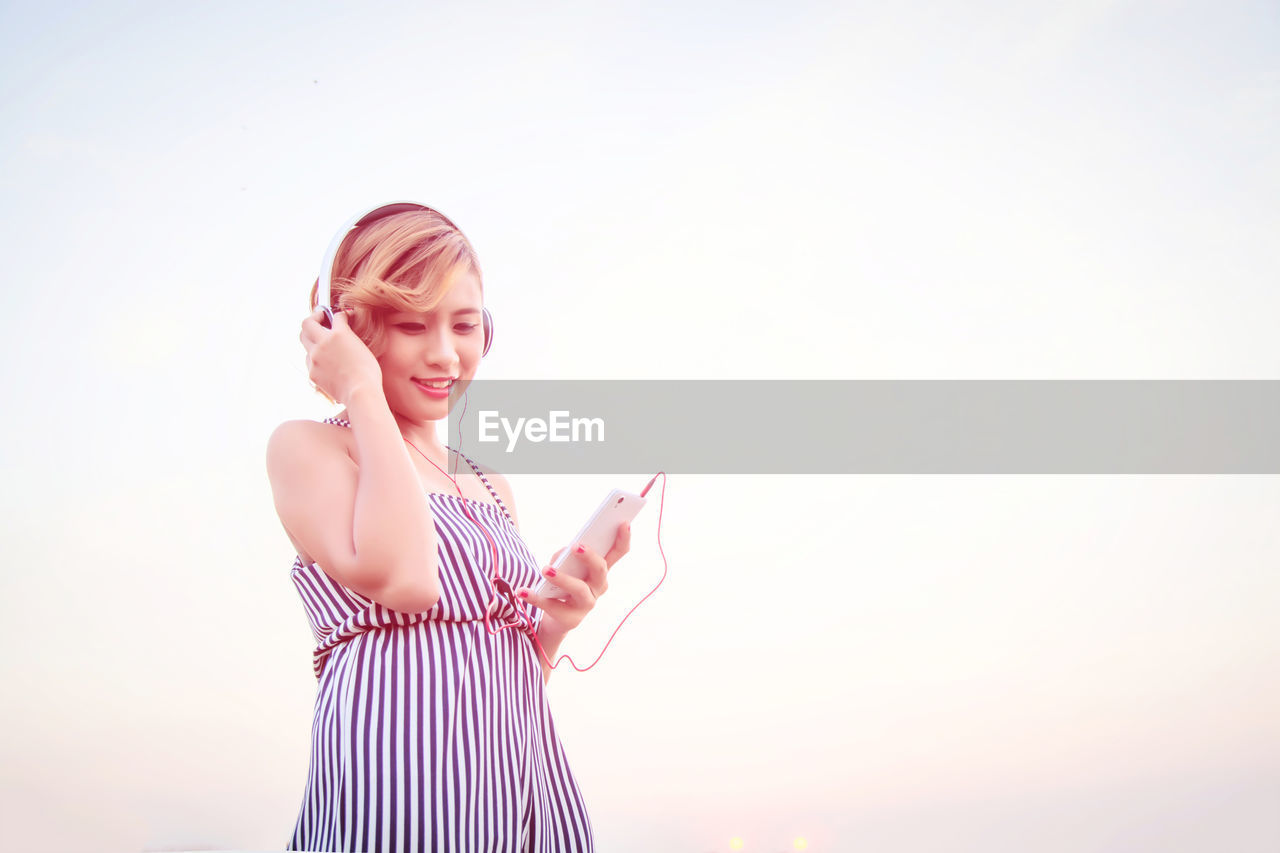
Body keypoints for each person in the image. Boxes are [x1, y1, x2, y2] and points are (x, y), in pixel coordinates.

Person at [266, 203, 629, 852]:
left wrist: (555, 623)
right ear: (345, 328)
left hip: (512, 778)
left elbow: (489, 664)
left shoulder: (487, 481)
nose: (444, 354)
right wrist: (361, 392)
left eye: (464, 325)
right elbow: (406, 580)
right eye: (410, 325)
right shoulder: (311, 449)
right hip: (400, 776)